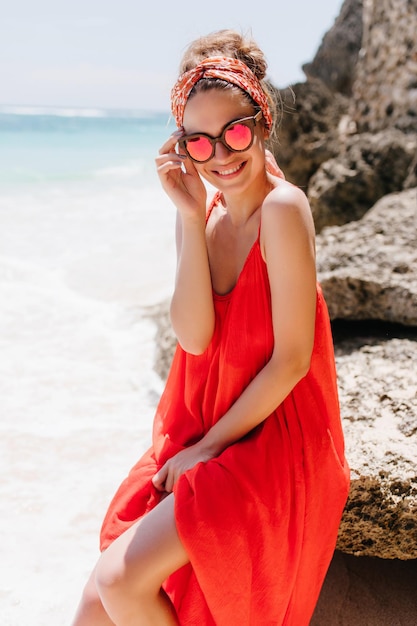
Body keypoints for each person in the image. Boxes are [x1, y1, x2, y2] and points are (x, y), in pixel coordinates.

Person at [71, 29, 350, 626]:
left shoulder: (283, 209)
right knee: (95, 602)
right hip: (211, 423)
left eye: (236, 131)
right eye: (199, 141)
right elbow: (194, 339)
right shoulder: (202, 211)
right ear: (182, 147)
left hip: (271, 439)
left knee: (121, 582)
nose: (221, 155)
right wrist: (190, 217)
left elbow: (293, 360)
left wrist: (207, 447)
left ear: (263, 122)